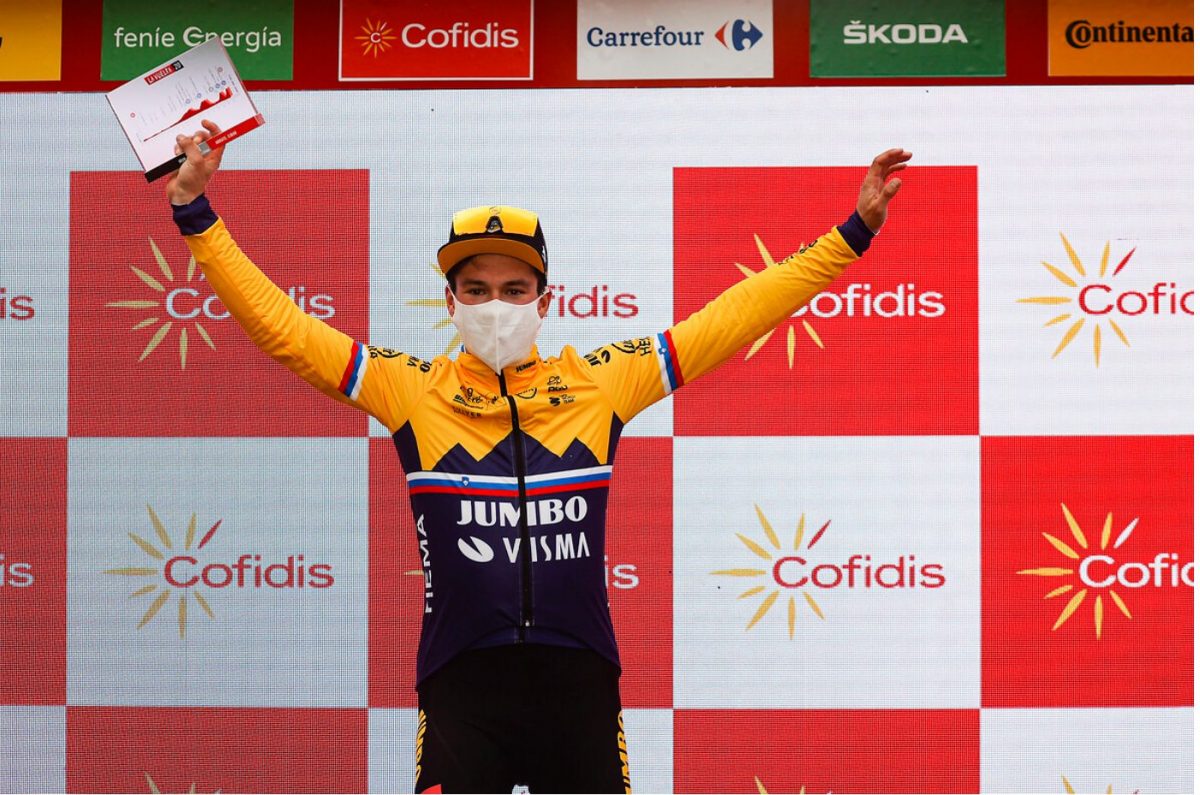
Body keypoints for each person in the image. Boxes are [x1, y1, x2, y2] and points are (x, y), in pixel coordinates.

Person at [166, 120, 910, 794]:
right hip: (462, 684)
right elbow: (286, 331)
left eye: (515, 288)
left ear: (545, 301)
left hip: (577, 681)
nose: (496, 305)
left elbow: (734, 316)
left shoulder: (600, 382)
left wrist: (853, 233)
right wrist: (196, 214)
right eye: (476, 289)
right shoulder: (411, 389)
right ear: (450, 302)